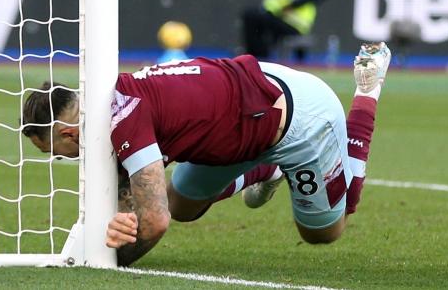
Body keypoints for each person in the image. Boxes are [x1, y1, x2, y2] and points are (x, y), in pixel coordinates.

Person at [22, 44, 393, 266]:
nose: (64, 160)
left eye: (56, 153)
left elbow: (153, 221)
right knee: (182, 205)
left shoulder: (123, 120)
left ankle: (367, 91)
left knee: (326, 230)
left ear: (68, 132)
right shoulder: (109, 101)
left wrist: (106, 261)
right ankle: (267, 171)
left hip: (302, 120)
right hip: (246, 112)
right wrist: (121, 217)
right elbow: (140, 200)